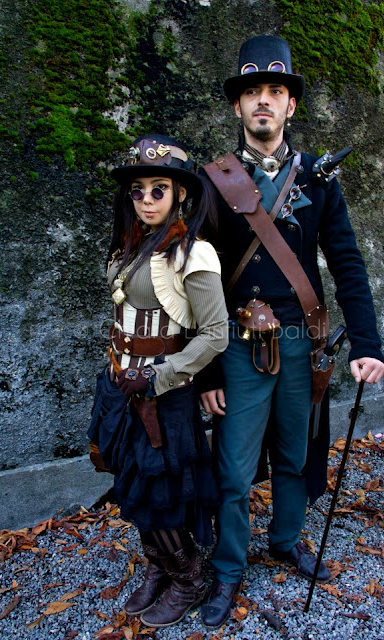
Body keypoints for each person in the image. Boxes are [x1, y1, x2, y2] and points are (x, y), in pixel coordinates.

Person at [197, 35, 384, 629]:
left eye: (274, 91)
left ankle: (285, 539)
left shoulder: (321, 182)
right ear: (237, 107)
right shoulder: (210, 183)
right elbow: (191, 281)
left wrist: (369, 344)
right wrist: (203, 369)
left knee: (296, 453)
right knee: (231, 468)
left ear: (290, 106)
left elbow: (348, 265)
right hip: (236, 345)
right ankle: (229, 568)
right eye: (252, 91)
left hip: (304, 342)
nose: (263, 101)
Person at [87, 134, 228, 628]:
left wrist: (159, 376)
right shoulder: (131, 245)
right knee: (132, 483)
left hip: (161, 395)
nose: (146, 199)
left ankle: (189, 578)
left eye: (158, 189)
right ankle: (159, 567)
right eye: (138, 190)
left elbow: (215, 335)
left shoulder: (195, 253)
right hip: (118, 384)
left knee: (159, 491)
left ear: (180, 194)